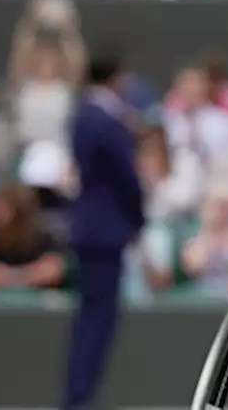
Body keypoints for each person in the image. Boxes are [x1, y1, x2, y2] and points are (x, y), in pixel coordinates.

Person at [64, 54, 145, 410]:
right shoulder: (108, 121)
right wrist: (137, 218)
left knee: (90, 317)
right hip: (105, 230)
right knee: (98, 320)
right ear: (116, 76)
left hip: (88, 227)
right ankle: (78, 398)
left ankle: (77, 395)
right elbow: (127, 178)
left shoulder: (82, 115)